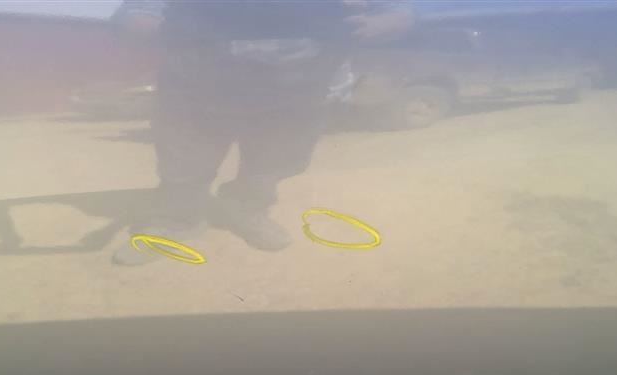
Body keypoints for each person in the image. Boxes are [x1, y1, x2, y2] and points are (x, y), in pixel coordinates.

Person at [112, 0, 414, 265]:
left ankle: (246, 208)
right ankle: (175, 219)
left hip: (300, 86)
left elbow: (397, 11)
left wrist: (380, 24)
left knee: (275, 160)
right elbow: (139, 10)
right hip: (198, 83)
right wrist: (157, 27)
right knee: (185, 160)